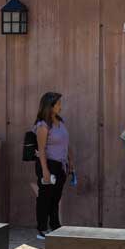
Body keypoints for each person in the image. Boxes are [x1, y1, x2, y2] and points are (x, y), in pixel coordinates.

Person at [33, 91, 74, 239]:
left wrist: (71, 161)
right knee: (45, 197)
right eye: (58, 104)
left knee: (56, 197)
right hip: (48, 164)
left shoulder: (60, 122)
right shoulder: (43, 126)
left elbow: (67, 143)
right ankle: (42, 228)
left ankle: (55, 225)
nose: (60, 106)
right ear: (50, 106)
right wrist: (45, 170)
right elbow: (41, 149)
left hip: (60, 165)